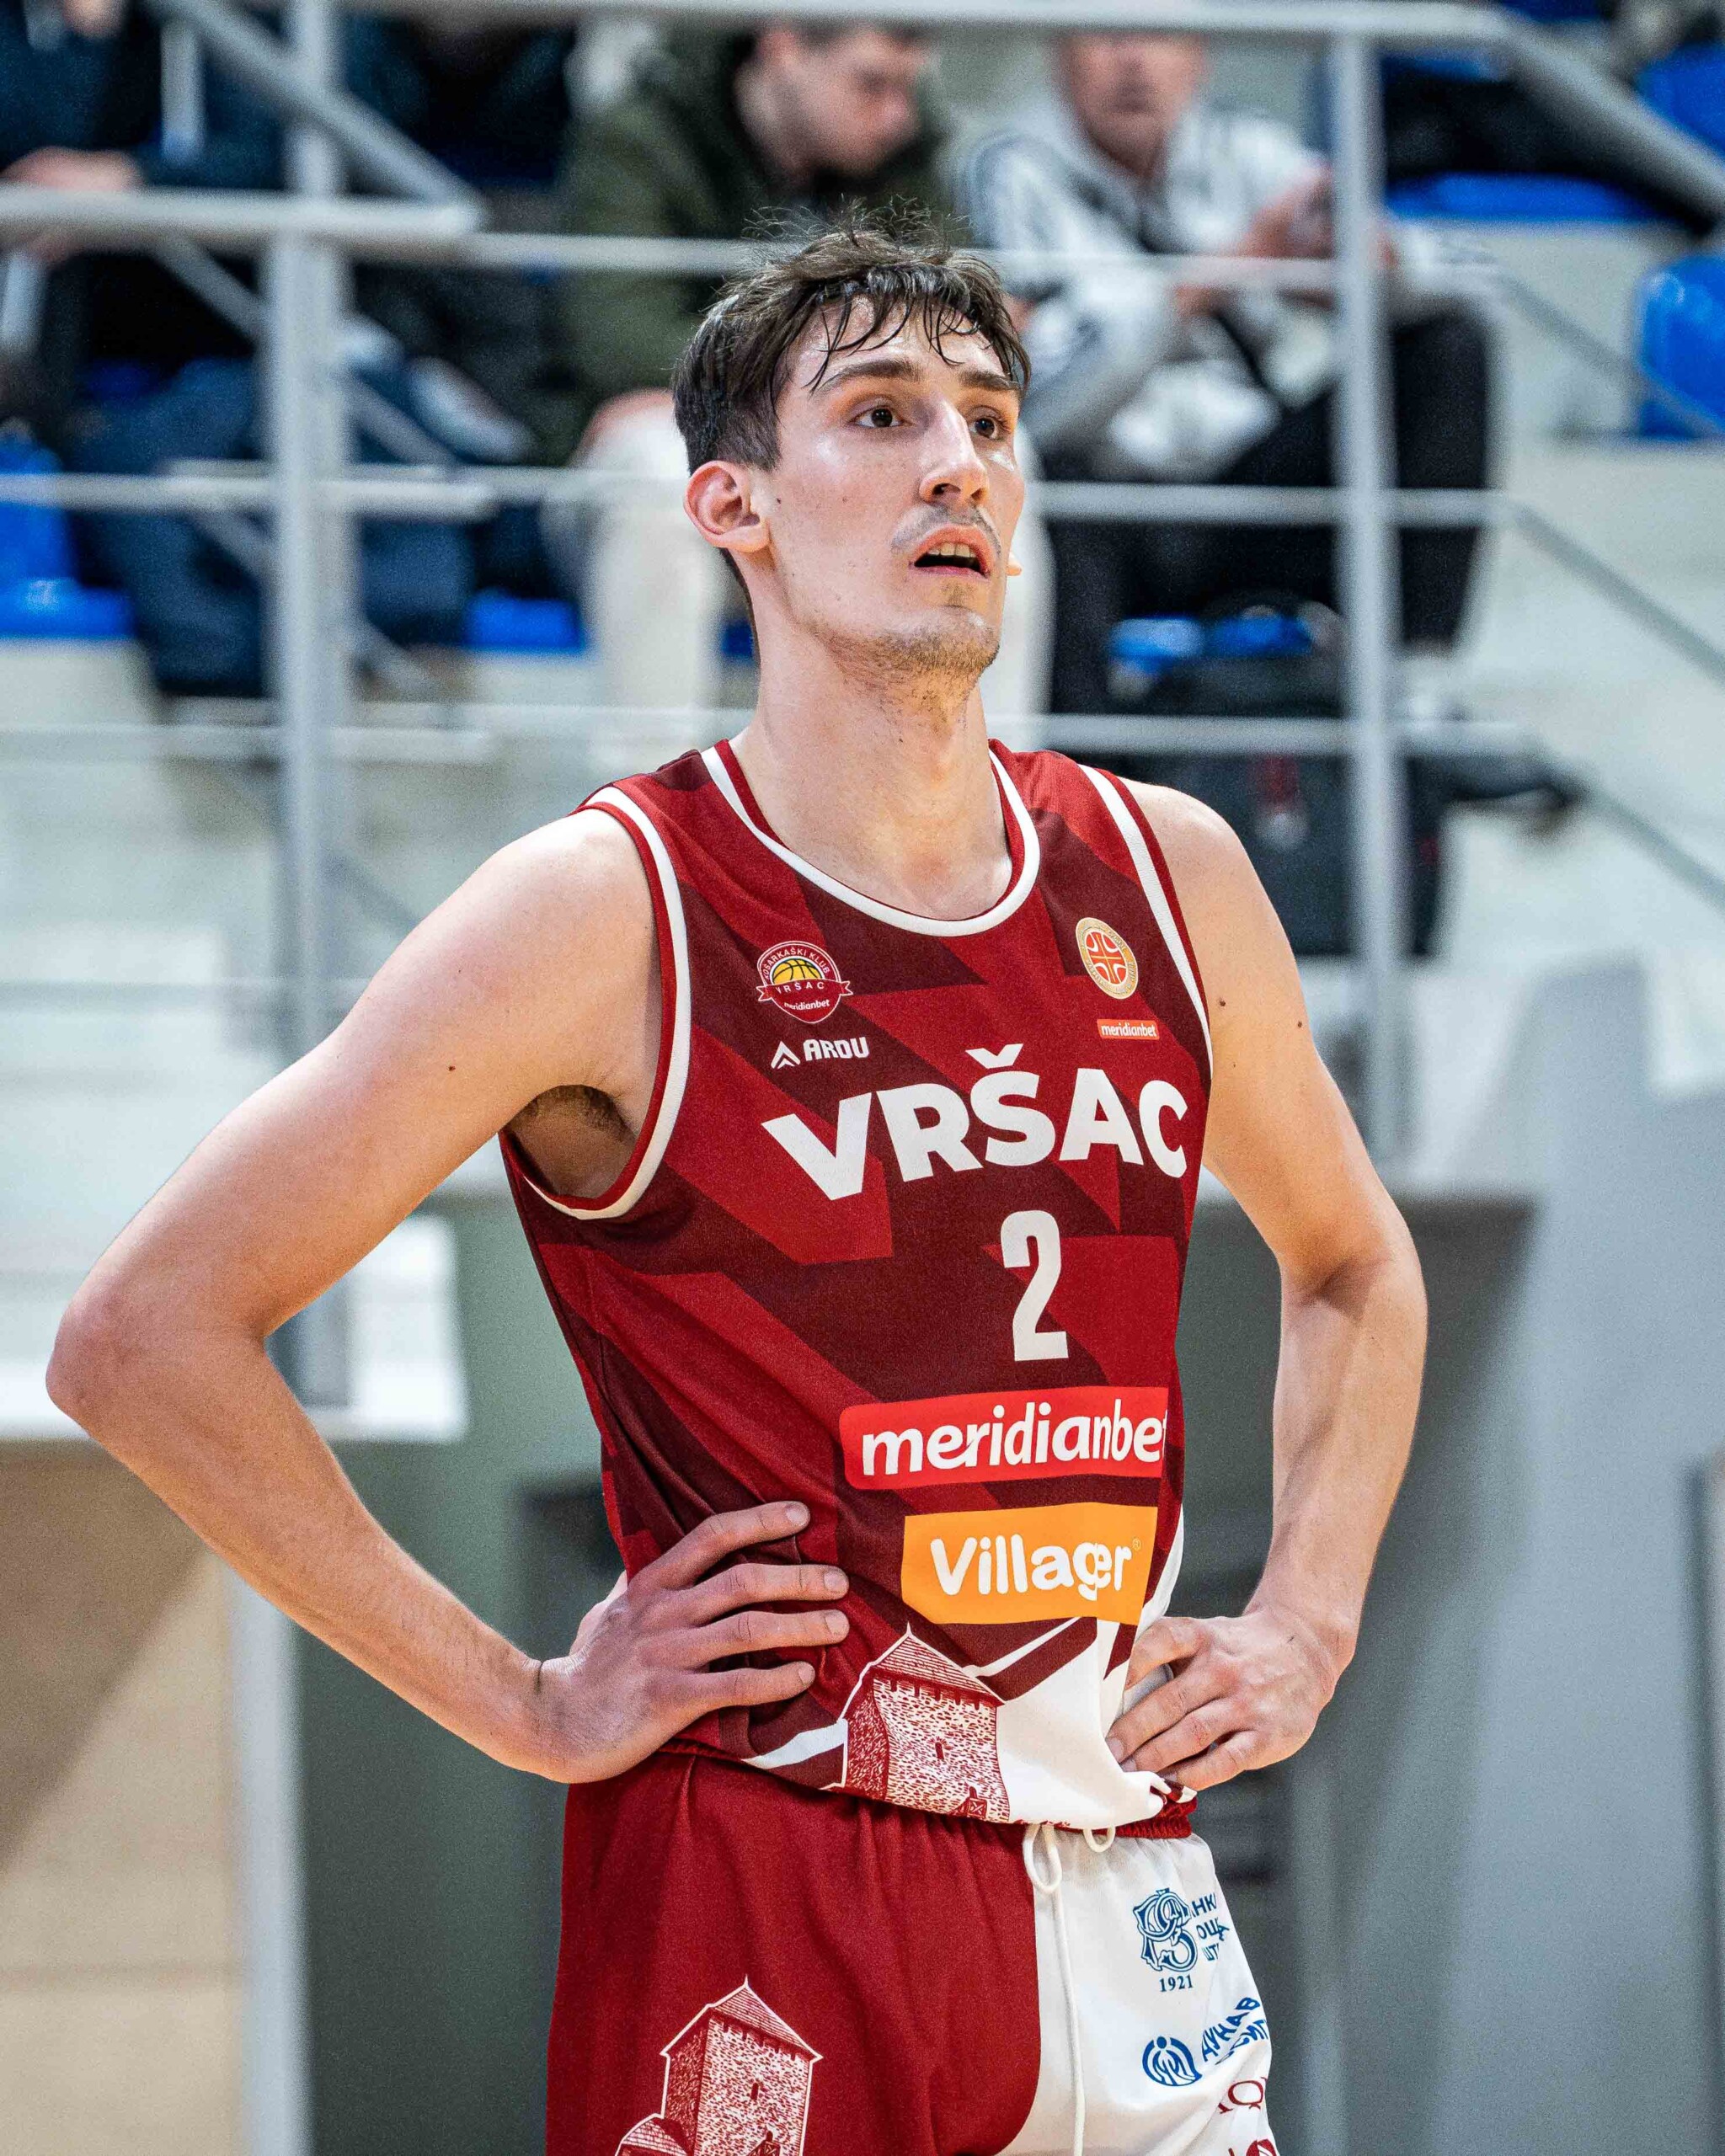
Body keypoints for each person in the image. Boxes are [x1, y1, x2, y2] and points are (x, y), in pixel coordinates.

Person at [50, 222, 1427, 2155]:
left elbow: (1353, 1258)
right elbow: (142, 1336)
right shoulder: (602, 906)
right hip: (772, 1865)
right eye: (881, 415)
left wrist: (1306, 1619)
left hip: (1127, 1860)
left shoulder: (1167, 868)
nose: (957, 463)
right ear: (732, 505)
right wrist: (524, 1700)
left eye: (987, 420)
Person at [959, 33, 1491, 713]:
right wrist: (1215, 278)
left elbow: (1478, 283)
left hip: (1249, 491)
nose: (1134, 59)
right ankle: (1076, 767)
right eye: (1106, 32)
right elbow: (1039, 409)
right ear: (1060, 53)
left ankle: (1417, 687)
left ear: (1201, 56)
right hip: (1102, 503)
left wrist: (1374, 268)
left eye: (1162, 34)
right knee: (1040, 484)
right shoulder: (1008, 168)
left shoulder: (1251, 148)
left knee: (1447, 345)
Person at [546, 23, 1050, 715]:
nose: (897, 114)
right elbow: (618, 337)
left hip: (821, 457)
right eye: (871, 84)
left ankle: (989, 774)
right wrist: (842, 382)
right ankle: (654, 785)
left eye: (907, 88)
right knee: (657, 472)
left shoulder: (902, 152)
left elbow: (954, 334)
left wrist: (796, 394)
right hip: (676, 448)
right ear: (784, 49)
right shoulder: (646, 135)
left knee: (998, 463)